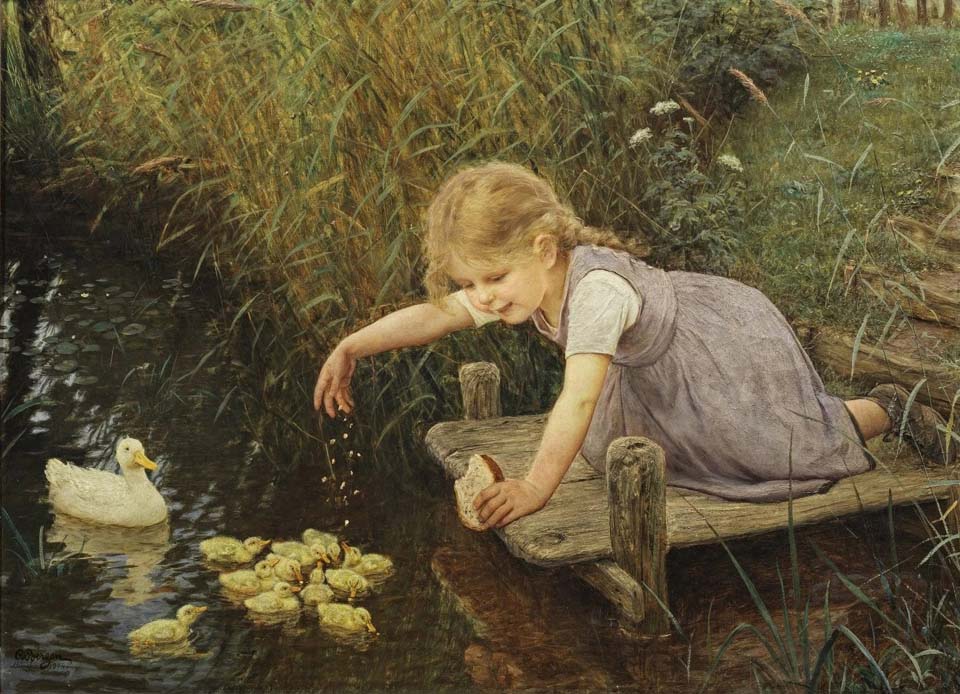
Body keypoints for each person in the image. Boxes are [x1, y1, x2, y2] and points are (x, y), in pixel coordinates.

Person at [313, 161, 955, 529]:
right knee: (674, 450)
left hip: (717, 352)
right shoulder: (524, 283)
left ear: (541, 249)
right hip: (659, 376)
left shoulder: (594, 293)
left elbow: (578, 396)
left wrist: (538, 486)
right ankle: (860, 412)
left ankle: (885, 408)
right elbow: (437, 316)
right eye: (471, 283)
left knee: (779, 446)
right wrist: (352, 347)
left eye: (493, 279)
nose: (481, 297)